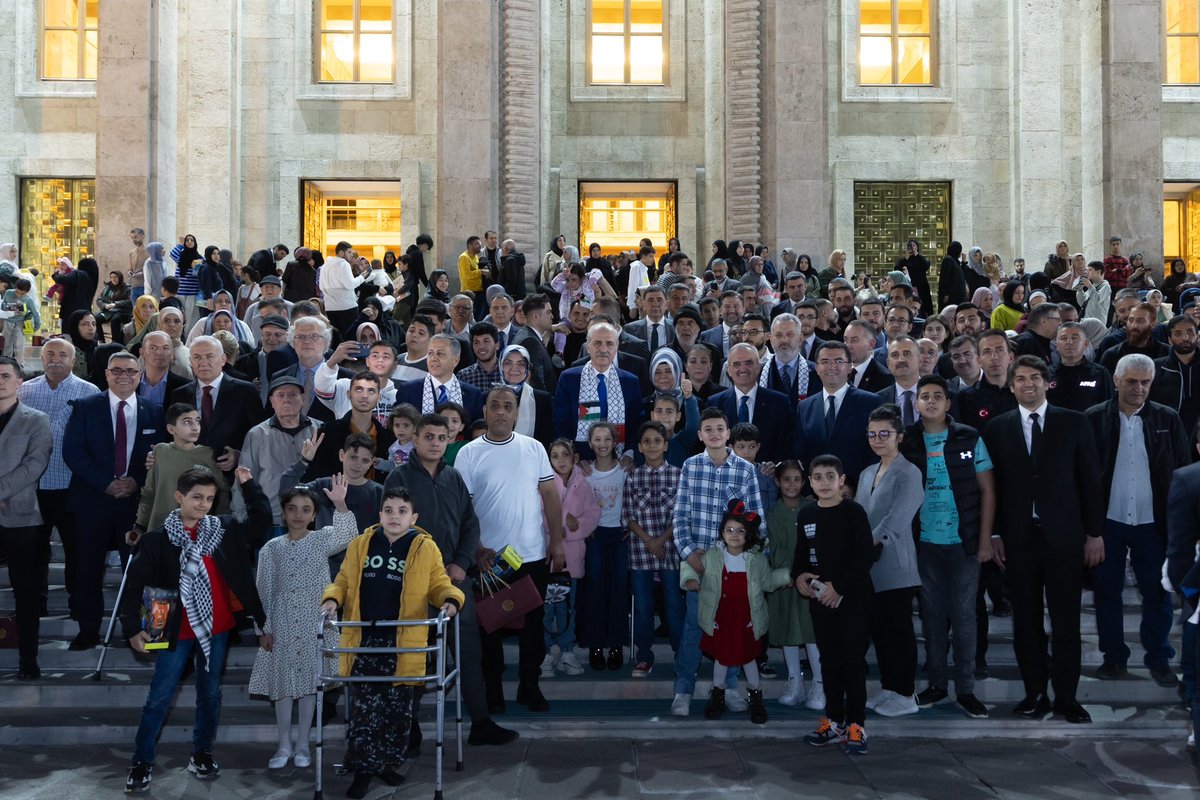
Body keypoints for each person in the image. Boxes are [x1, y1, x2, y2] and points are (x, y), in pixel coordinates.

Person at [120, 467, 271, 794]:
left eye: (210, 499)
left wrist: (249, 485)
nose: (203, 505)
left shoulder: (225, 530)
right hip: (168, 629)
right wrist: (133, 629)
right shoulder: (157, 539)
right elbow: (133, 587)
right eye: (197, 498)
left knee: (211, 693)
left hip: (216, 629)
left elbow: (261, 523)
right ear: (179, 497)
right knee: (159, 696)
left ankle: (201, 753)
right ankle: (142, 761)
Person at [381, 413, 518, 746]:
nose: (435, 444)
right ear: (415, 438)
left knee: (469, 650)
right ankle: (408, 728)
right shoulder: (399, 478)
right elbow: (391, 527)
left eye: (441, 439)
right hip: (412, 582)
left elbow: (470, 526)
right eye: (428, 437)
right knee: (415, 653)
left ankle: (481, 723)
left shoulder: (454, 478)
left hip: (456, 580)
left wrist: (461, 563)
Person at [319, 487, 464, 799]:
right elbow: (343, 581)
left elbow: (439, 583)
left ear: (413, 517)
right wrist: (332, 599)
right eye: (388, 510)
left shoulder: (425, 548)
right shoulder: (361, 544)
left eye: (401, 511)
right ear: (380, 514)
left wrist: (451, 599)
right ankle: (362, 770)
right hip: (364, 641)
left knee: (397, 711)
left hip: (404, 643)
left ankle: (385, 762)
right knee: (362, 710)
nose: (394, 516)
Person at [982, 355, 1104, 724]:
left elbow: (1091, 481)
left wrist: (1095, 533)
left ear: (1047, 382)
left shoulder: (1073, 422)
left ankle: (1066, 697)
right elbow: (994, 488)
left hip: (1065, 539)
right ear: (1011, 384)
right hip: (1019, 540)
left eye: (1035, 378)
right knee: (1027, 622)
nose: (1028, 384)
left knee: (1066, 621)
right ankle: (1035, 692)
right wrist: (996, 533)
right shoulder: (997, 428)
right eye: (1021, 379)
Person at [455, 386, 567, 713]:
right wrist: (475, 549)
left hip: (530, 555)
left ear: (517, 413)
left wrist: (557, 541)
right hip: (489, 560)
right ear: (485, 411)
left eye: (508, 406)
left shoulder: (533, 449)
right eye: (495, 406)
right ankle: (493, 692)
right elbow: (464, 510)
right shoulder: (468, 453)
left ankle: (529, 687)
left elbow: (550, 496)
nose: (502, 411)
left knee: (534, 629)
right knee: (489, 630)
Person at [1084, 354, 1190, 687]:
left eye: (1146, 382)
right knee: (1106, 592)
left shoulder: (1168, 419)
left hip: (1153, 525)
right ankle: (1113, 657)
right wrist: (1090, 531)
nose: (1139, 389)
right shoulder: (1092, 419)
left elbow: (1184, 476)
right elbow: (1083, 478)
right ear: (1116, 380)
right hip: (1108, 523)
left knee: (1157, 595)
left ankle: (1159, 659)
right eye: (1132, 381)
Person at [898, 376, 995, 718]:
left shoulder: (969, 436)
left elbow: (987, 491)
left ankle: (965, 689)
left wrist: (985, 540)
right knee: (932, 617)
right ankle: (937, 684)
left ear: (948, 403)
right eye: (925, 397)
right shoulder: (908, 440)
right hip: (925, 545)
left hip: (964, 544)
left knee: (965, 617)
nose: (932, 402)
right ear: (917, 404)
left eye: (938, 396)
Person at [249, 480, 356, 769]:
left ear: (313, 514)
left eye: (306, 509)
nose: (298, 514)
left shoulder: (322, 539)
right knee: (283, 685)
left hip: (314, 620)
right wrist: (264, 629)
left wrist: (341, 504)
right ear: (283, 512)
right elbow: (263, 590)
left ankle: (302, 746)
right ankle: (283, 745)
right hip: (282, 621)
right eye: (292, 508)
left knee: (311, 683)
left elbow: (349, 534)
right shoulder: (271, 549)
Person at [63, 351, 166, 651]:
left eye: (131, 371)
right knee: (87, 569)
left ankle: (138, 632)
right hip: (92, 501)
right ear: (106, 375)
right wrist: (106, 483)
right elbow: (73, 452)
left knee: (138, 571)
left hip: (135, 504)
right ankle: (88, 631)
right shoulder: (85, 407)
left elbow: (158, 453)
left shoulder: (154, 411)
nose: (124, 376)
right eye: (117, 371)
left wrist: (134, 480)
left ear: (140, 375)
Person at [670, 407, 766, 716]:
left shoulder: (744, 470)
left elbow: (757, 521)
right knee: (694, 627)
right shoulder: (690, 467)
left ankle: (731, 688)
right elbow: (680, 516)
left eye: (719, 429)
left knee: (733, 627)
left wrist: (747, 559)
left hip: (733, 564)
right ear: (699, 435)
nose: (714, 434)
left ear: (728, 434)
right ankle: (683, 690)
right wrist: (689, 553)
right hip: (700, 561)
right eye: (707, 429)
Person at [794, 455, 875, 755]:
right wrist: (800, 577)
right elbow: (800, 557)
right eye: (818, 477)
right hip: (821, 602)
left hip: (853, 600)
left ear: (842, 481)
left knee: (853, 662)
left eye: (830, 476)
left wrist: (838, 587)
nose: (824, 482)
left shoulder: (854, 512)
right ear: (810, 483)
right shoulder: (806, 515)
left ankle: (857, 724)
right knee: (829, 662)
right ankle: (833, 720)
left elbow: (864, 556)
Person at [683, 499, 790, 725]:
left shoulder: (757, 560)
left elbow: (768, 582)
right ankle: (717, 696)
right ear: (722, 533)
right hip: (721, 618)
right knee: (722, 659)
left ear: (748, 534)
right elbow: (688, 566)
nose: (734, 535)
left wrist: (787, 576)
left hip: (746, 619)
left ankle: (756, 697)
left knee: (749, 659)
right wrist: (691, 579)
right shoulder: (712, 555)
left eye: (740, 531)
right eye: (729, 530)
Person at [855, 405, 923, 718]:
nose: (878, 439)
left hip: (895, 562)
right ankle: (889, 687)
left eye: (885, 434)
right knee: (880, 631)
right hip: (868, 565)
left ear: (899, 437)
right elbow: (858, 515)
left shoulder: (909, 472)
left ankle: (906, 694)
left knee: (898, 630)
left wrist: (863, 543)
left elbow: (897, 519)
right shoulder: (868, 472)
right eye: (873, 434)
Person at [0, 358, 53, 680]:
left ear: (20, 382)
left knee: (26, 593)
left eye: (5, 376)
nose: (0, 381)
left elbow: (34, 466)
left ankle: (28, 660)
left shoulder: (36, 420)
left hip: (20, 518)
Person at [765, 460, 821, 709]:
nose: (791, 484)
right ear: (777, 482)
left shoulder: (813, 508)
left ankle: (820, 684)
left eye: (796, 479)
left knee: (811, 632)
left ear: (804, 481)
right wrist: (780, 575)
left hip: (810, 580)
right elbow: (772, 549)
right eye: (786, 479)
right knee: (788, 630)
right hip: (783, 581)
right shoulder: (771, 512)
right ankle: (794, 682)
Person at [543, 438, 600, 677]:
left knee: (568, 607)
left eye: (565, 455)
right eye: (555, 456)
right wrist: (558, 528)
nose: (560, 460)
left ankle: (567, 651)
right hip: (547, 555)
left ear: (574, 457)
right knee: (547, 608)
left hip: (572, 557)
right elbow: (538, 514)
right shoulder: (543, 483)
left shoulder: (583, 483)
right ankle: (545, 653)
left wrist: (573, 528)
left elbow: (593, 513)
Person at [576, 421, 629, 671]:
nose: (602, 444)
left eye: (607, 439)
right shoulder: (583, 472)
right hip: (594, 536)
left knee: (619, 588)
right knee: (594, 587)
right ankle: (595, 644)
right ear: (589, 444)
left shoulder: (626, 470)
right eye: (597, 440)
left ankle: (616, 644)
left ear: (615, 443)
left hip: (620, 536)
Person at [172, 336, 265, 477]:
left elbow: (259, 435)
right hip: (191, 476)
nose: (203, 363)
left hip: (232, 478)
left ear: (223, 359)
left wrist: (239, 454)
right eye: (197, 357)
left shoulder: (245, 391)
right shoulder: (179, 395)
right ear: (190, 362)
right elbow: (172, 435)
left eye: (209, 356)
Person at [794, 341, 884, 479]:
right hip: (816, 492)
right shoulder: (805, 407)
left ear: (849, 367)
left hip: (858, 490)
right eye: (825, 362)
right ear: (817, 368)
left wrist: (858, 485)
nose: (831, 367)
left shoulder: (871, 402)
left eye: (838, 361)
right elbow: (801, 453)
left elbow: (877, 451)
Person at [554, 322, 643, 460]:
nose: (603, 349)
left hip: (620, 461)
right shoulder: (569, 379)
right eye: (597, 343)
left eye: (609, 344)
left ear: (616, 347)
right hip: (580, 461)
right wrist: (573, 456)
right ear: (588, 346)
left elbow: (635, 423)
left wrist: (630, 452)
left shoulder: (630, 381)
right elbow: (561, 423)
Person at [135, 403, 229, 533]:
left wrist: (219, 525)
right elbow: (149, 492)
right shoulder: (160, 451)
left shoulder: (209, 454)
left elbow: (222, 493)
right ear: (171, 429)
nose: (195, 427)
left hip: (198, 532)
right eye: (187, 422)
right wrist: (140, 525)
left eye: (197, 421)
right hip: (160, 527)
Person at [1047, 322, 1114, 412]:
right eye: (1064, 338)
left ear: (1086, 344)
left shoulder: (1100, 373)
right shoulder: (1047, 374)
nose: (1069, 342)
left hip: (1089, 424)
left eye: (1075, 338)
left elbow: (1109, 408)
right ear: (1057, 345)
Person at [1151, 315, 1200, 434]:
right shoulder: (1156, 368)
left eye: (1190, 332)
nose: (1185, 338)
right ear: (1169, 340)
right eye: (1178, 334)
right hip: (1166, 434)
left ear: (1198, 336)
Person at [319, 241, 366, 336]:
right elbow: (350, 284)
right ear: (341, 253)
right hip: (347, 307)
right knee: (350, 337)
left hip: (329, 308)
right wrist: (362, 277)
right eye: (349, 252)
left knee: (335, 338)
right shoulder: (344, 264)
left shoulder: (324, 266)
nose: (351, 255)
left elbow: (321, 286)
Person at [2, 277, 41, 358]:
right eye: (17, 292)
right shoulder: (8, 293)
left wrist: (37, 325)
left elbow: (35, 313)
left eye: (22, 293)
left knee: (19, 346)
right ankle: (6, 363)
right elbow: (2, 306)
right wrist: (10, 308)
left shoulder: (28, 300)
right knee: (7, 345)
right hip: (8, 322)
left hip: (20, 323)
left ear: (27, 292)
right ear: (14, 287)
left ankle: (20, 366)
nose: (18, 295)